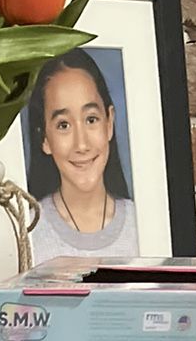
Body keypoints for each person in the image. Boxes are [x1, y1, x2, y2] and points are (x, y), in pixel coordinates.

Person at [28, 48, 139, 263]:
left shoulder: (144, 224)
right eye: (63, 125)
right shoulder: (27, 231)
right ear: (44, 139)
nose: (81, 144)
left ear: (109, 123)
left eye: (91, 119)